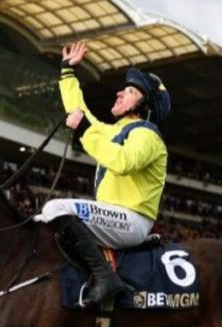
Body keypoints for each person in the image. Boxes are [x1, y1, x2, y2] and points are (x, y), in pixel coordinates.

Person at [34, 41, 171, 308]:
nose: (120, 93)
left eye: (130, 91)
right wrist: (67, 72)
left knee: (55, 208)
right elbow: (79, 113)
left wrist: (84, 129)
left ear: (146, 105)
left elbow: (122, 161)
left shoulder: (148, 135)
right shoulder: (115, 131)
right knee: (39, 220)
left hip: (132, 221)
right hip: (113, 218)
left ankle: (104, 278)